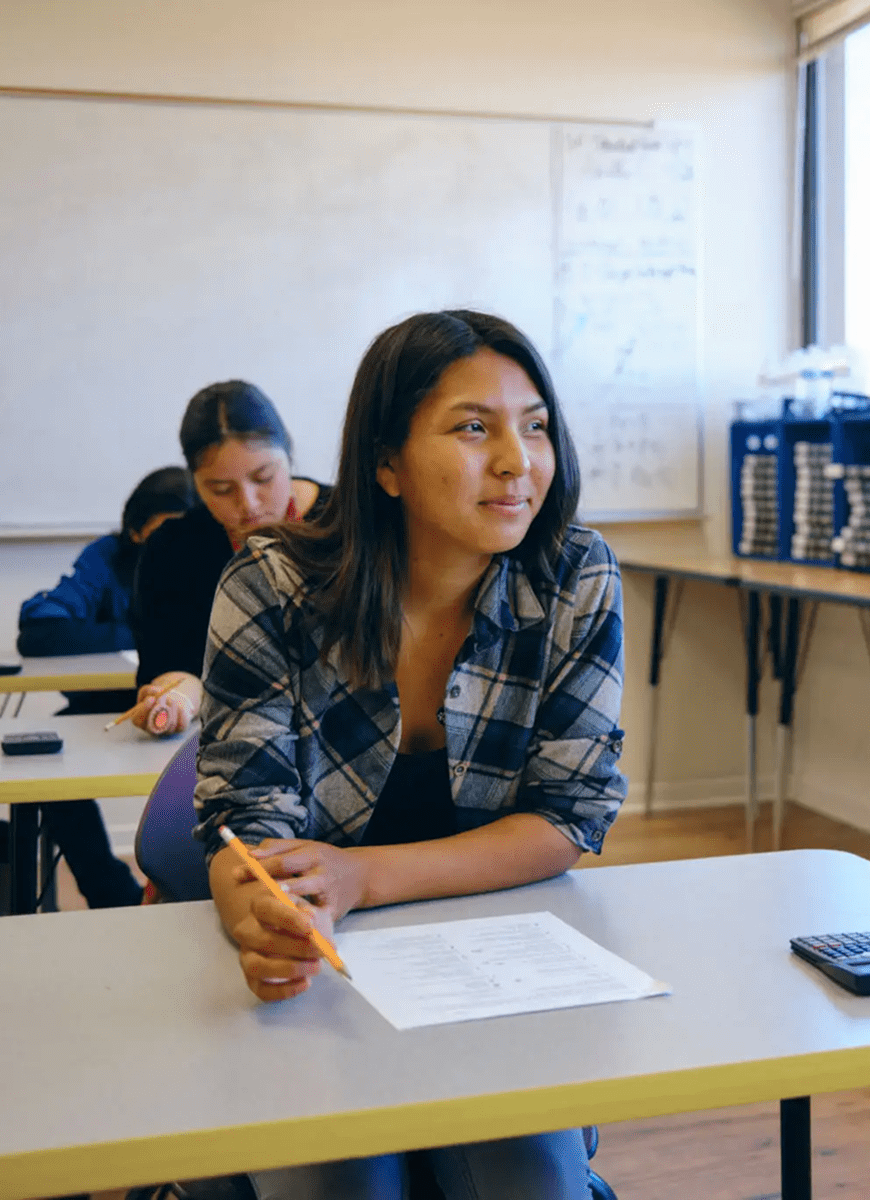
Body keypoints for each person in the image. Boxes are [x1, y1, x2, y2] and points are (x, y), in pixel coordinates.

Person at [193, 311, 625, 1199]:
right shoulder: (271, 587)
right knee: (347, 1183)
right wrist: (265, 924)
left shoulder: (575, 576)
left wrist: (362, 876)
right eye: (475, 427)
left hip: (492, 963)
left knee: (531, 1186)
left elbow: (569, 817)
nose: (517, 460)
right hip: (328, 977)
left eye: (534, 425)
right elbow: (249, 833)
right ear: (385, 462)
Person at [13, 465, 194, 908]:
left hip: (195, 703)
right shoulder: (107, 557)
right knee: (48, 764)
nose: (171, 548)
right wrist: (141, 632)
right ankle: (109, 893)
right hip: (115, 703)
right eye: (161, 535)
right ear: (134, 531)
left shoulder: (204, 558)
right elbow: (40, 628)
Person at [126, 381, 327, 736]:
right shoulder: (173, 549)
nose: (248, 503)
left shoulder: (351, 524)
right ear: (196, 483)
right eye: (221, 489)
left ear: (289, 455)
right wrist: (174, 699)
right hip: (237, 743)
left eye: (263, 477)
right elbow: (176, 664)